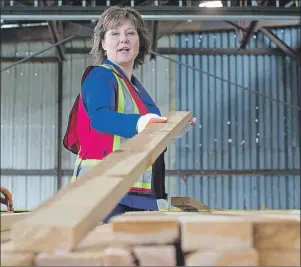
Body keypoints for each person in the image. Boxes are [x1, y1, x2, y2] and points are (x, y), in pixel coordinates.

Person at [63, 6, 196, 223]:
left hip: (138, 195)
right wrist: (141, 122)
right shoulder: (100, 76)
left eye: (130, 33)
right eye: (115, 33)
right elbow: (100, 118)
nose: (123, 39)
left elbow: (144, 135)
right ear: (103, 44)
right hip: (103, 192)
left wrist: (171, 132)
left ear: (139, 42)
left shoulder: (137, 90)